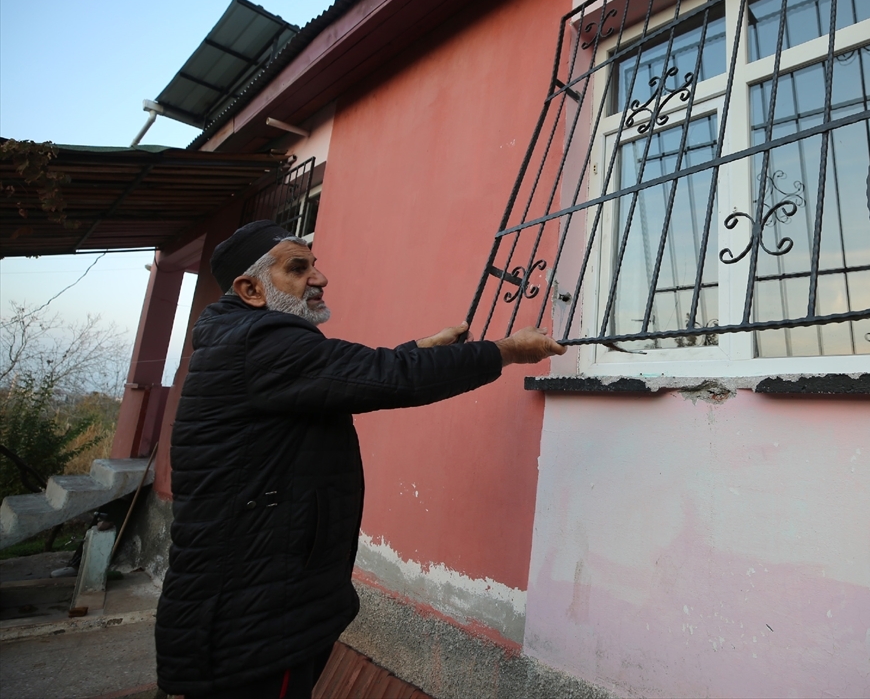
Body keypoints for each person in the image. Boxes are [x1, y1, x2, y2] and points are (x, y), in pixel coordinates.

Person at [154, 220, 564, 698]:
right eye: (298, 268)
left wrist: (422, 349)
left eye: (315, 264)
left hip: (255, 596)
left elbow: (352, 375)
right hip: (255, 611)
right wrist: (507, 350)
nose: (320, 278)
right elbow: (387, 377)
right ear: (251, 289)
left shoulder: (244, 338)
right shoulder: (261, 341)